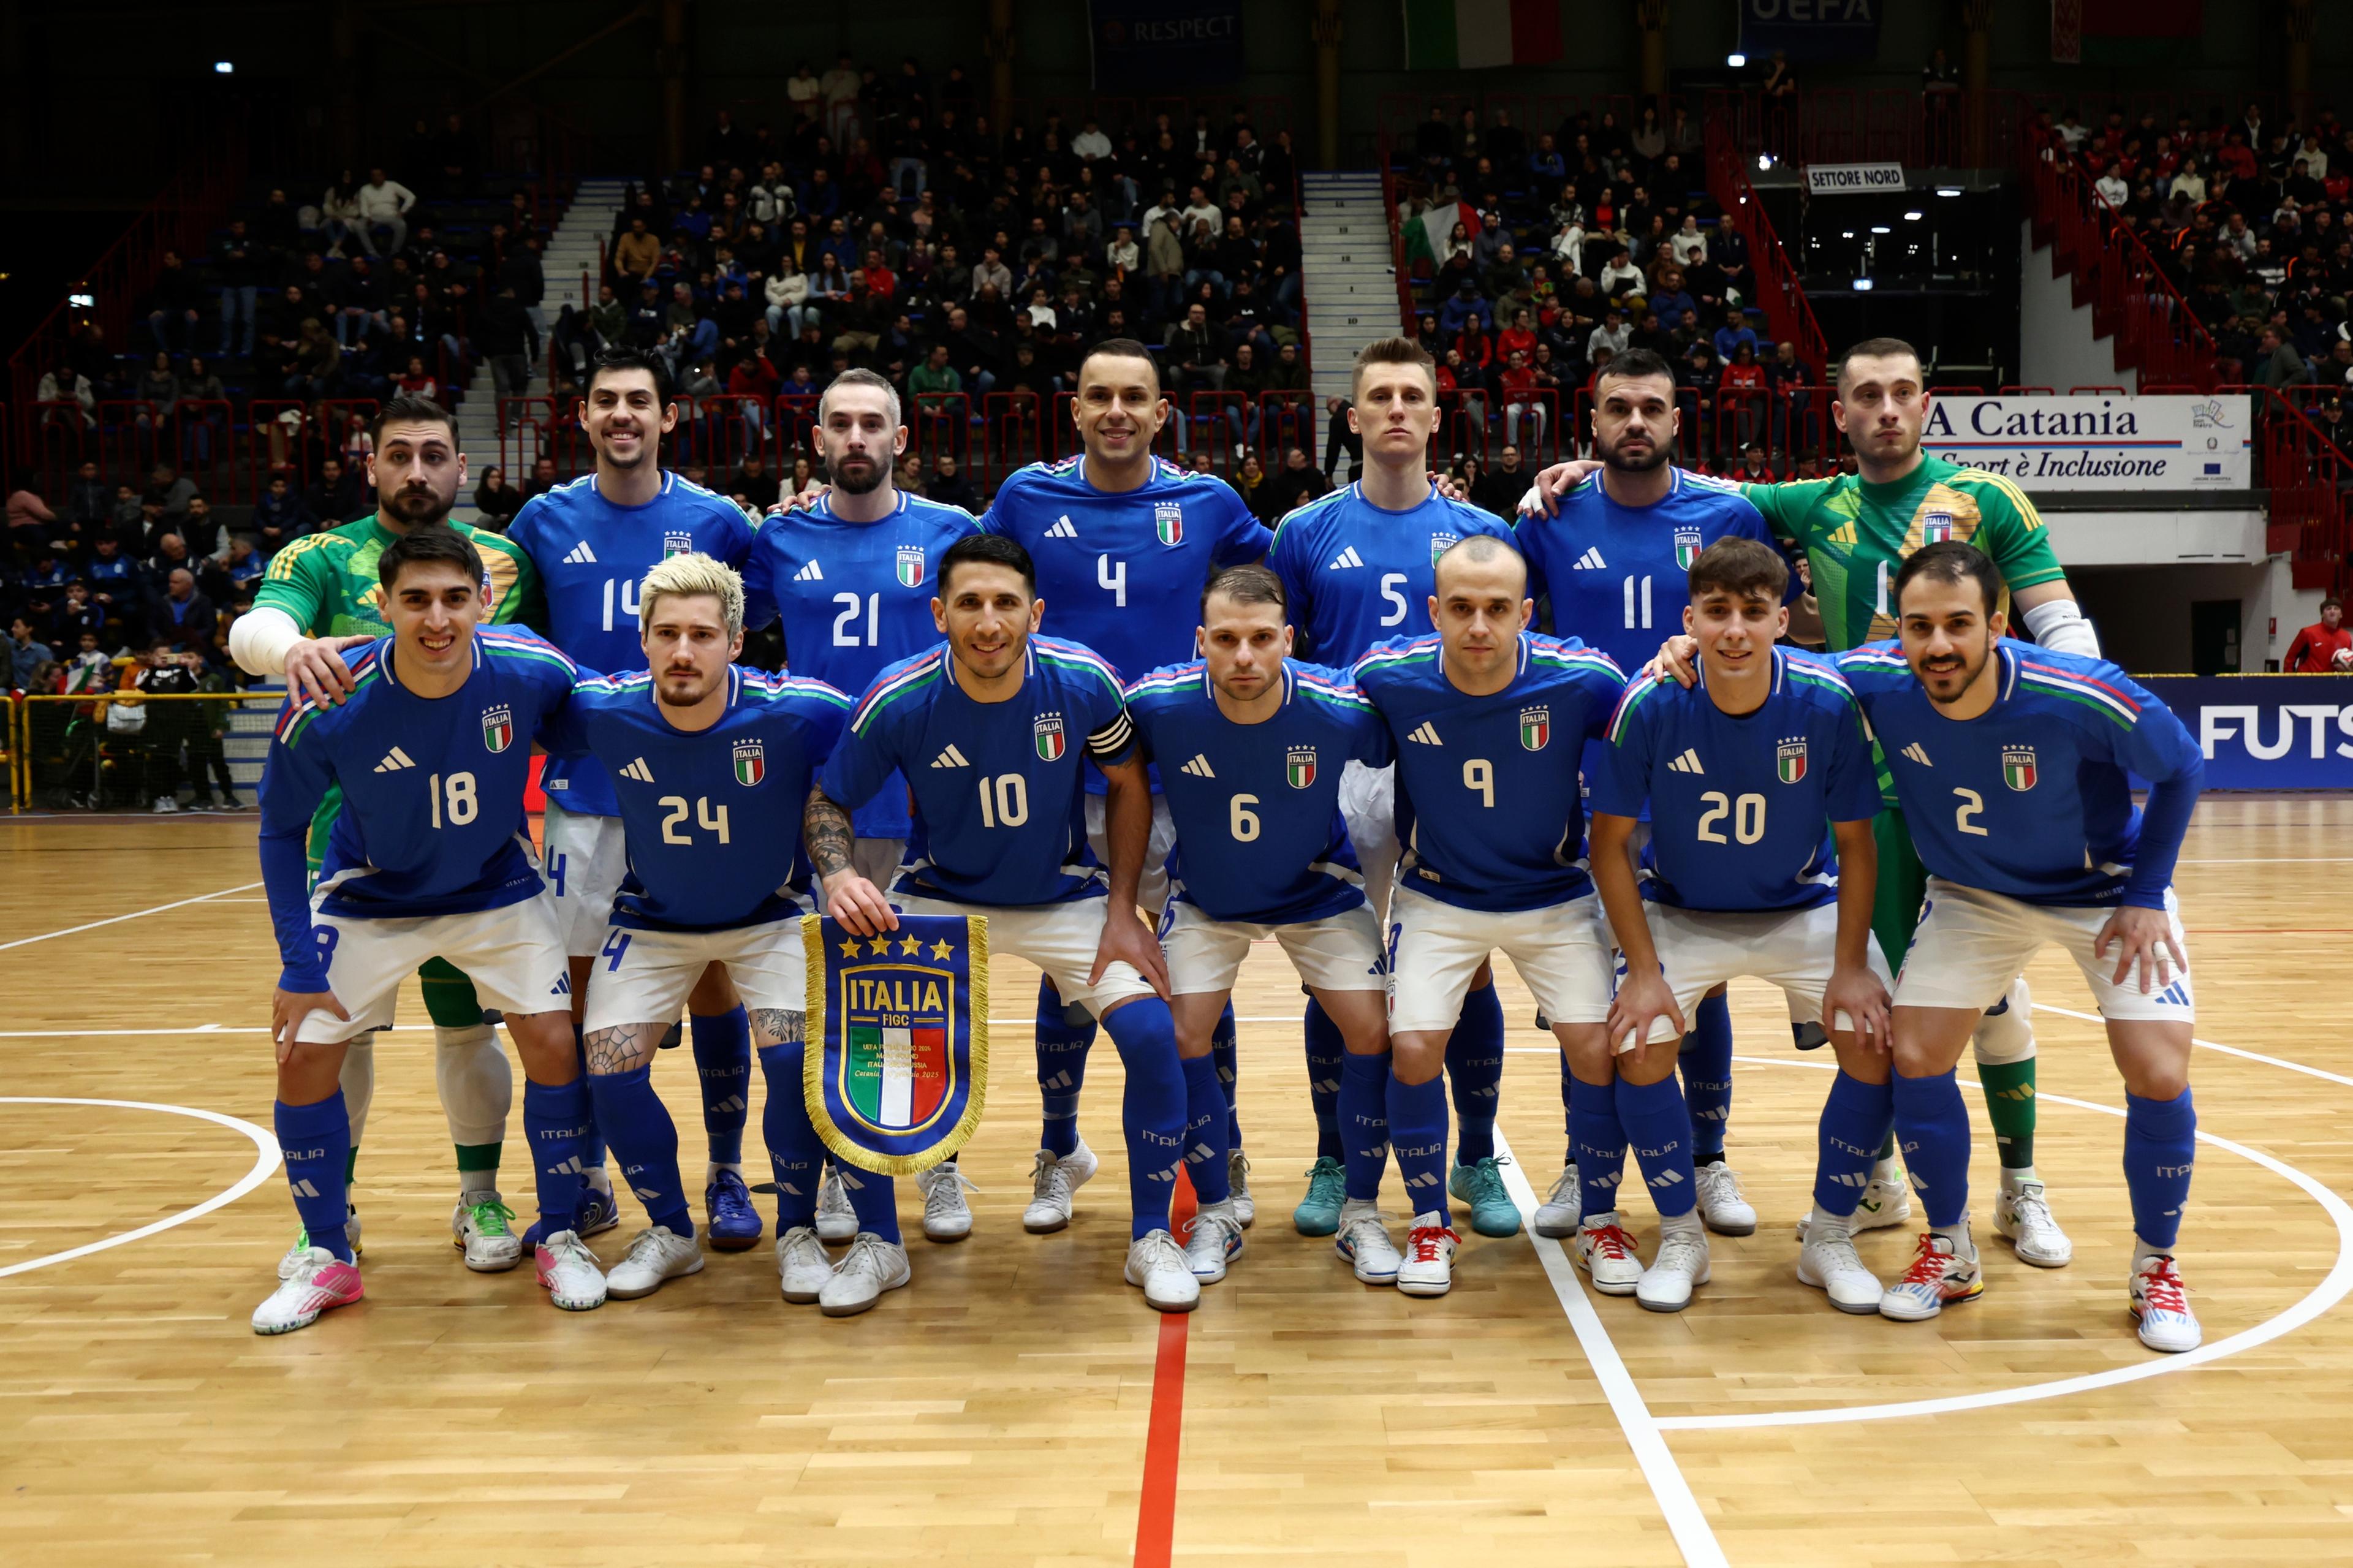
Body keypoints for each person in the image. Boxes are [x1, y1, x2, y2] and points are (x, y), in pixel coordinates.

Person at [1521, 336, 2092, 1269]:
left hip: (1952, 779)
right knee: (1667, 989)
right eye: (1866, 394)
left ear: (1927, 402)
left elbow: (2059, 623)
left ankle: (2019, 1186)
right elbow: (1668, 477)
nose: (1886, 410)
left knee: (1980, 994)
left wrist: (2065, 711)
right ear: (1839, 412)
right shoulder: (1808, 502)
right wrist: (1591, 465)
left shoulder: (1984, 501)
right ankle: (1862, 1174)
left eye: (1903, 392)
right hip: (1811, 769)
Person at [805, 533, 1202, 1313]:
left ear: (1035, 613)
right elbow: (829, 798)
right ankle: (882, 1244)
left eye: (1006, 604)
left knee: (1154, 1039)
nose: (989, 622)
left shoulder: (1083, 681)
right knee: (866, 1043)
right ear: (940, 615)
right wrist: (841, 872)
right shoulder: (899, 696)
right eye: (970, 605)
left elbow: (1126, 785)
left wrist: (1123, 909)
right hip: (940, 894)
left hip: (1064, 896)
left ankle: (1150, 1236)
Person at [1840, 542, 2205, 1352]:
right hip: (1974, 895)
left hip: (2105, 891)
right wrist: (1691, 648)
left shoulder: (2079, 692)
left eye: (1959, 624)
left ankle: (2157, 1266)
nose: (1937, 645)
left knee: (2158, 1067)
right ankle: (1950, 1246)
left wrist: (2147, 895)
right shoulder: (1874, 677)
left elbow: (2181, 766)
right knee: (1918, 1050)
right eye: (1919, 626)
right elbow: (1782, 666)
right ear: (1897, 629)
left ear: (1998, 624)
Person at [248, 526, 600, 1333]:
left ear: (484, 600)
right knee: (303, 1048)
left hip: (496, 886)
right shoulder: (331, 696)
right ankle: (328, 1253)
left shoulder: (533, 668)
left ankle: (562, 1232)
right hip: (370, 892)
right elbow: (278, 831)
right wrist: (299, 964)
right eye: (416, 600)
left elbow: (594, 726)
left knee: (552, 1038)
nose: (436, 617)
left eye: (453, 597)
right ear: (383, 606)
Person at [228, 395, 542, 1274]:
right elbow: (255, 624)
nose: (415, 471)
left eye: (433, 455)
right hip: (349, 845)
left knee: (466, 1027)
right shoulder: (321, 553)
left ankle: (480, 1195)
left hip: (473, 839)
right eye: (397, 454)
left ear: (460, 467)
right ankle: (333, 1215)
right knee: (338, 1032)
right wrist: (289, 647)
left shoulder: (508, 559)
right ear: (371, 466)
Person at [1511, 347, 1785, 1240]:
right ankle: (1579, 1160)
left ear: (1677, 420)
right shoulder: (1548, 515)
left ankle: (1706, 1158)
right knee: (1587, 989)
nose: (1636, 422)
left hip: (1705, 777)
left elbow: (1770, 634)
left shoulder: (1728, 512)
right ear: (1591, 422)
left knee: (1699, 978)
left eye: (1652, 408)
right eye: (1618, 408)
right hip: (1587, 779)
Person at [535, 553, 859, 1306]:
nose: (684, 652)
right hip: (653, 920)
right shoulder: (603, 711)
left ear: (736, 642)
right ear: (642, 640)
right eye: (668, 634)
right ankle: (673, 1232)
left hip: (768, 916)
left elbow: (883, 729)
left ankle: (799, 1230)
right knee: (608, 1068)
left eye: (703, 635)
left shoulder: (797, 710)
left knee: (793, 1065)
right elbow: (496, 691)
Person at [503, 347, 764, 1249]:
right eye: (606, 399)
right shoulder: (541, 521)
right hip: (585, 792)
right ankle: (586, 1178)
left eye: (639, 401)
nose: (623, 414)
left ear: (667, 416)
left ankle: (729, 1171)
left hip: (698, 791)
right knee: (576, 993)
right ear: (582, 415)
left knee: (715, 981)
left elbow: (752, 640)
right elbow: (511, 648)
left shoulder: (718, 521)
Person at [1588, 539, 1891, 1311]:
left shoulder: (1826, 702)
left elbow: (1857, 845)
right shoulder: (1651, 700)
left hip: (1801, 905)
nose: (1733, 631)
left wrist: (1853, 965)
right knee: (1640, 1041)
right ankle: (1681, 1233)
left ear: (1782, 620)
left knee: (1874, 1037)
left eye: (1753, 613)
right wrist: (1646, 971)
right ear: (1688, 618)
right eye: (1716, 613)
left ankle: (1829, 1237)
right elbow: (1609, 844)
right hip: (1682, 909)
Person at [1265, 337, 1520, 1241]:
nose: (1399, 410)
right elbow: (1276, 654)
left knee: (1471, 960)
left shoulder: (1481, 536)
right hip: (1336, 774)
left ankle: (1477, 1151)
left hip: (1444, 774)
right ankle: (1337, 1154)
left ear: (1436, 416)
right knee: (1336, 970)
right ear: (1355, 415)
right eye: (1382, 396)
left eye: (1416, 395)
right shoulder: (1303, 531)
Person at [741, 368, 982, 1246]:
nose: (854, 437)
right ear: (816, 441)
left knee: (926, 989)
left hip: (924, 791)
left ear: (900, 439)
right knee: (826, 997)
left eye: (871, 424)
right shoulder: (777, 538)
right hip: (816, 799)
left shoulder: (952, 532)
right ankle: (844, 1167)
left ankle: (941, 1162)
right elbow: (724, 619)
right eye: (838, 423)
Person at [1352, 536, 1627, 1295]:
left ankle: (1601, 1219)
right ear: (1435, 612)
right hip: (1439, 897)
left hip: (1554, 896)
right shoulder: (1388, 677)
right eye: (1463, 609)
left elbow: (1661, 713)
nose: (1480, 625)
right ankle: (1430, 1225)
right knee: (1412, 1052)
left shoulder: (1583, 679)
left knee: (1596, 1050)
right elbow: (1307, 697)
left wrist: (1681, 653)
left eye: (1498, 609)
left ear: (1526, 615)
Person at [1126, 565, 1398, 1285]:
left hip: (1319, 892)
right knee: (1179, 1034)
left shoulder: (1341, 709)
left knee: (1374, 1030)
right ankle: (1215, 1211)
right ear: (1200, 642)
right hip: (1210, 898)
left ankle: (1363, 1213)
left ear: (1288, 640)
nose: (1243, 657)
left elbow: (1418, 747)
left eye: (1259, 639)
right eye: (1225, 639)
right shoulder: (1156, 704)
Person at [2283, 597, 2351, 671]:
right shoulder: (2308, 633)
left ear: (2341, 615)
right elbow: (2290, 659)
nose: (2332, 611)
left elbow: (2348, 663)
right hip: (2307, 681)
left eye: (2336, 609)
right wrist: (2290, 680)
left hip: (2334, 682)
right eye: (2329, 609)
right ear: (2322, 614)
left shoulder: (2346, 636)